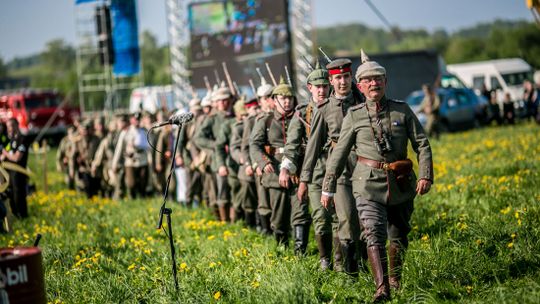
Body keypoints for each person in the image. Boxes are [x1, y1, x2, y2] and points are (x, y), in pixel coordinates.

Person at [321, 50, 433, 302]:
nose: (374, 84)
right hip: (367, 185)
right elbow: (339, 154)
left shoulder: (402, 111)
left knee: (399, 235)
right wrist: (328, 187)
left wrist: (425, 175)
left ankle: (394, 278)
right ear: (360, 85)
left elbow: (422, 144)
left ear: (385, 81)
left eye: (378, 79)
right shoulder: (355, 115)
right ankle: (381, 287)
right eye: (368, 80)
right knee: (373, 233)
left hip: (401, 183)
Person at [299, 57, 365, 274]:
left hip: (366, 165)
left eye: (346, 77)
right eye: (338, 78)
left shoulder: (362, 101)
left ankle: (367, 265)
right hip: (340, 169)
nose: (343, 82)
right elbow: (313, 147)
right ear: (331, 81)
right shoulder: (324, 109)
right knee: (345, 217)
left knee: (366, 219)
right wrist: (304, 180)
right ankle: (349, 271)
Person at [280, 61, 334, 261]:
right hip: (315, 169)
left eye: (325, 86)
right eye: (317, 87)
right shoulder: (302, 113)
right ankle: (324, 260)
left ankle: (345, 262)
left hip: (342, 168)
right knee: (320, 216)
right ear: (309, 88)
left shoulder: (341, 108)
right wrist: (286, 168)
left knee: (344, 217)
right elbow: (292, 144)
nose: (321, 90)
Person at [250, 77, 301, 247]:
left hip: (297, 172)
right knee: (279, 217)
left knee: (301, 213)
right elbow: (254, 145)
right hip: (275, 173)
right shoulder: (265, 121)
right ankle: (282, 247)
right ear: (274, 100)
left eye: (290, 98)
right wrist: (263, 163)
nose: (287, 102)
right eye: (283, 98)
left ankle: (300, 252)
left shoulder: (301, 118)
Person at [193, 85, 236, 221]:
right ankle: (224, 222)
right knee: (221, 192)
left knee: (236, 190)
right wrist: (216, 145)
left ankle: (237, 221)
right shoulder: (212, 119)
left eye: (225, 100)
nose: (223, 103)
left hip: (236, 158)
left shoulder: (236, 115)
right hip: (218, 160)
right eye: (220, 101)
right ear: (215, 103)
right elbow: (198, 138)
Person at [1, 118, 30, 219]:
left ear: (17, 125)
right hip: (10, 173)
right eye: (8, 126)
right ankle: (16, 216)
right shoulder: (11, 140)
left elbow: (17, 157)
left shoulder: (23, 139)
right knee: (11, 195)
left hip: (19, 172)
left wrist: (5, 153)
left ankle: (24, 217)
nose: (10, 129)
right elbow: (6, 154)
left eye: (12, 126)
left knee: (19, 195)